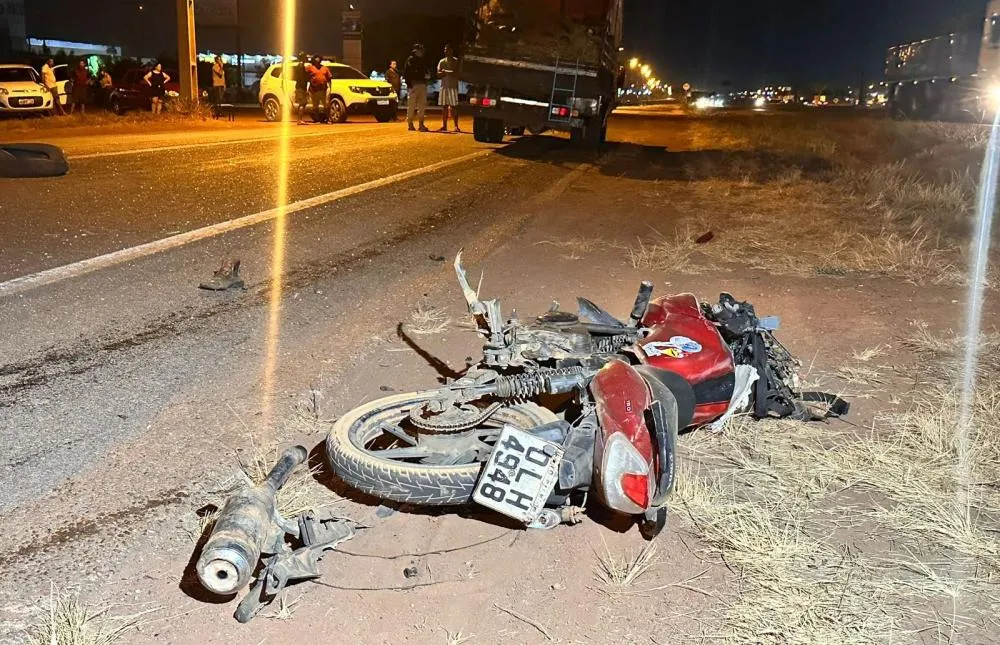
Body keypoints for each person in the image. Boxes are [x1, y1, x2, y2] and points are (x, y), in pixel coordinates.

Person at [403, 43, 428, 131]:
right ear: (415, 51)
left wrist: (425, 80)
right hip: (413, 85)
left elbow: (425, 72)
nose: (421, 52)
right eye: (420, 50)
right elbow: (406, 73)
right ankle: (410, 124)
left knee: (422, 105)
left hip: (421, 84)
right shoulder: (411, 60)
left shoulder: (422, 60)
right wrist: (409, 84)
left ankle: (421, 124)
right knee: (411, 105)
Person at [437, 44, 460, 132]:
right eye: (445, 49)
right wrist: (448, 72)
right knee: (444, 107)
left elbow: (457, 73)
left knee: (454, 107)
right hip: (444, 87)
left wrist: (445, 72)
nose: (445, 51)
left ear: (452, 50)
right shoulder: (442, 61)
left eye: (447, 50)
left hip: (453, 87)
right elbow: (438, 74)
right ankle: (444, 125)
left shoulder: (456, 61)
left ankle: (456, 126)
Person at [307, 56, 332, 122]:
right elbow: (306, 76)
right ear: (314, 61)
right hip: (314, 90)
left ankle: (328, 119)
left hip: (324, 89)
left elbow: (329, 77)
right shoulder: (310, 68)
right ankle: (317, 119)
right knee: (315, 106)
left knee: (326, 105)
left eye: (319, 60)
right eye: (316, 60)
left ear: (320, 60)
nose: (317, 61)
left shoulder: (325, 68)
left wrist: (330, 87)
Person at [294, 52, 310, 124]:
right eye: (305, 57)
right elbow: (302, 79)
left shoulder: (299, 66)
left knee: (303, 103)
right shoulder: (301, 66)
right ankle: (299, 120)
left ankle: (300, 119)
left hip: (300, 87)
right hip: (300, 87)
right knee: (302, 103)